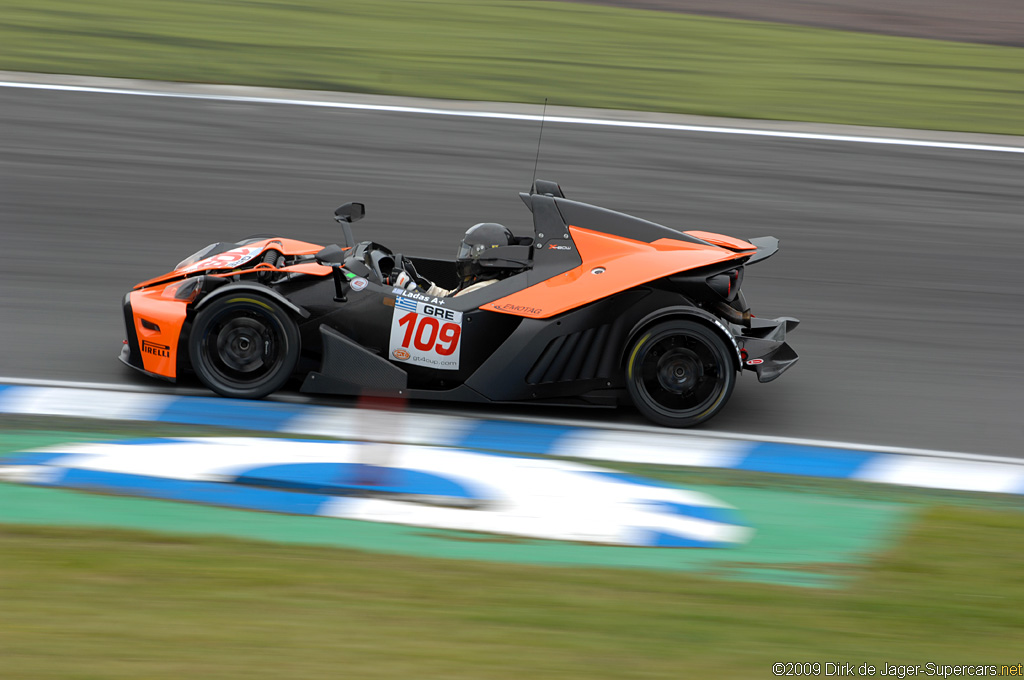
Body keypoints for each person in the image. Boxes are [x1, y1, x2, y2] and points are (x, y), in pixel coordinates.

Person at [392, 222, 524, 297]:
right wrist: (423, 284)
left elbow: (449, 309)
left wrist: (411, 289)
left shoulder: (486, 289)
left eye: (469, 252)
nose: (465, 257)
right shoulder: (484, 282)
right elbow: (451, 297)